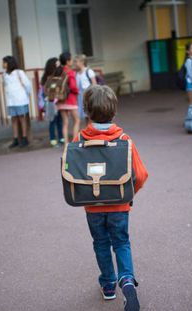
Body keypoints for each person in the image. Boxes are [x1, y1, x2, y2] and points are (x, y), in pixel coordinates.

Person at [73, 85, 148, 311]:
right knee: (122, 243)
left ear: (86, 111)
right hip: (119, 204)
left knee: (101, 244)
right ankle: (126, 282)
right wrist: (128, 194)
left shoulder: (79, 140)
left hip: (92, 207)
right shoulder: (124, 140)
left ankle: (108, 285)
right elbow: (142, 174)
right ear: (114, 111)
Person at [2, 56, 32, 148]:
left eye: (4, 62)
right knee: (14, 119)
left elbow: (28, 84)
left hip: (20, 100)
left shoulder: (19, 72)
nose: (2, 64)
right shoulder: (4, 74)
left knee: (22, 119)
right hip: (11, 101)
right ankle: (15, 139)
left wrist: (26, 95)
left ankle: (24, 138)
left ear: (9, 63)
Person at [57, 52, 80, 145]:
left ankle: (66, 143)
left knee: (65, 122)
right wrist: (77, 92)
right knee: (77, 120)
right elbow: (73, 87)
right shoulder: (70, 72)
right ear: (67, 61)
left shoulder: (59, 71)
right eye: (71, 60)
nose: (72, 61)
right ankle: (74, 142)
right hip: (70, 99)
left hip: (60, 99)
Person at [40, 57, 63, 147]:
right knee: (52, 121)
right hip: (50, 102)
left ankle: (61, 138)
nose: (59, 66)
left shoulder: (60, 75)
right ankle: (53, 140)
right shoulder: (46, 78)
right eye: (57, 64)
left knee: (60, 121)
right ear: (52, 66)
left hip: (59, 102)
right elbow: (43, 92)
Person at [74, 54, 97, 120]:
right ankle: (88, 129)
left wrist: (93, 96)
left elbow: (94, 84)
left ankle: (91, 129)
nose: (75, 64)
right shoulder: (77, 73)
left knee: (90, 114)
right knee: (85, 115)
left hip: (88, 95)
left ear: (82, 62)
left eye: (76, 62)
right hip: (80, 97)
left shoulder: (88, 71)